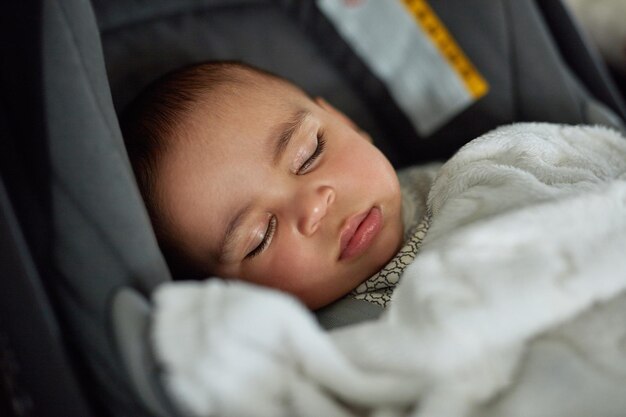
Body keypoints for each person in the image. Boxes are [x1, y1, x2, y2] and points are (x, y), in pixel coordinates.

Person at [121, 61, 436, 310]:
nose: (314, 208)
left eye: (308, 154)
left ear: (345, 121)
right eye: (261, 235)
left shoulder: (466, 168)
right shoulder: (304, 356)